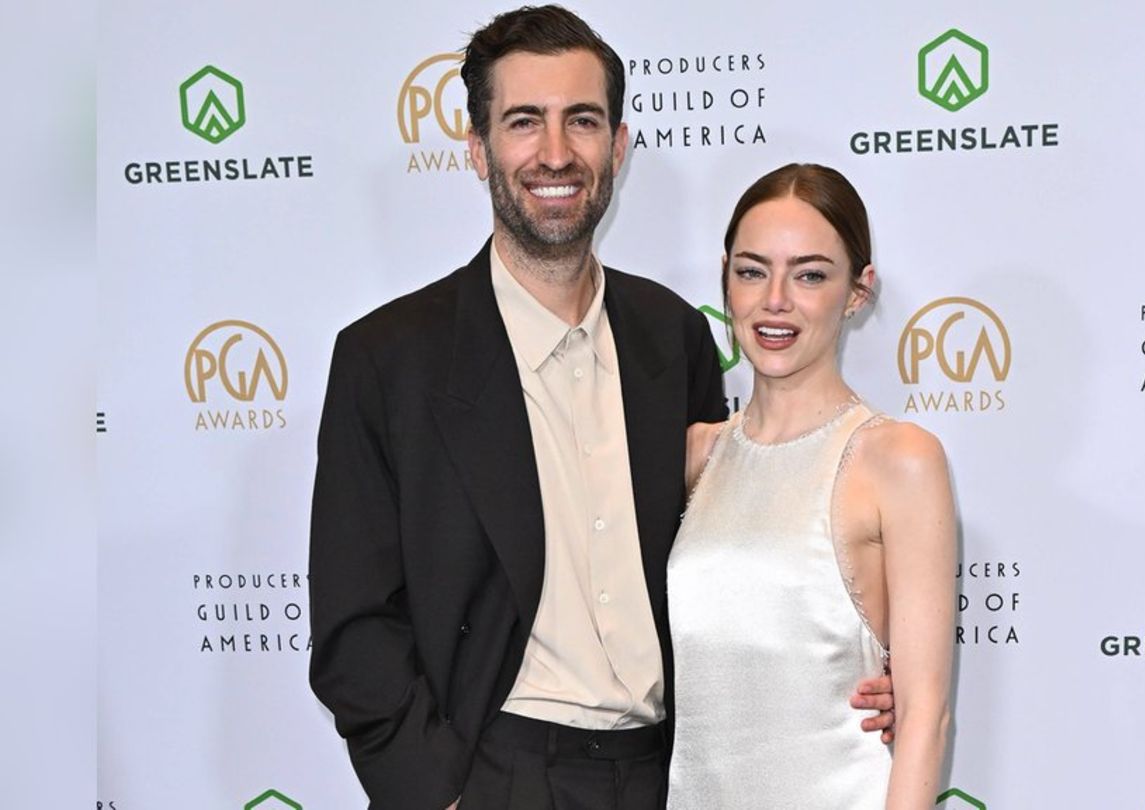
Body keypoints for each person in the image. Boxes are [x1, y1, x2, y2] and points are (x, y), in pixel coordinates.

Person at [308, 8, 894, 809]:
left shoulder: (673, 337)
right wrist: (433, 795)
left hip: (675, 775)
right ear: (478, 148)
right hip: (492, 773)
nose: (556, 153)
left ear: (617, 147)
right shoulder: (389, 359)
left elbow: (729, 557)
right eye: (524, 122)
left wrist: (852, 676)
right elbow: (355, 626)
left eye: (582, 121)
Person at [666, 164, 957, 809]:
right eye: (752, 270)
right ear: (726, 279)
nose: (776, 299)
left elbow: (925, 715)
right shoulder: (695, 455)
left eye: (810, 274)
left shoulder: (898, 459)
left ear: (858, 290)